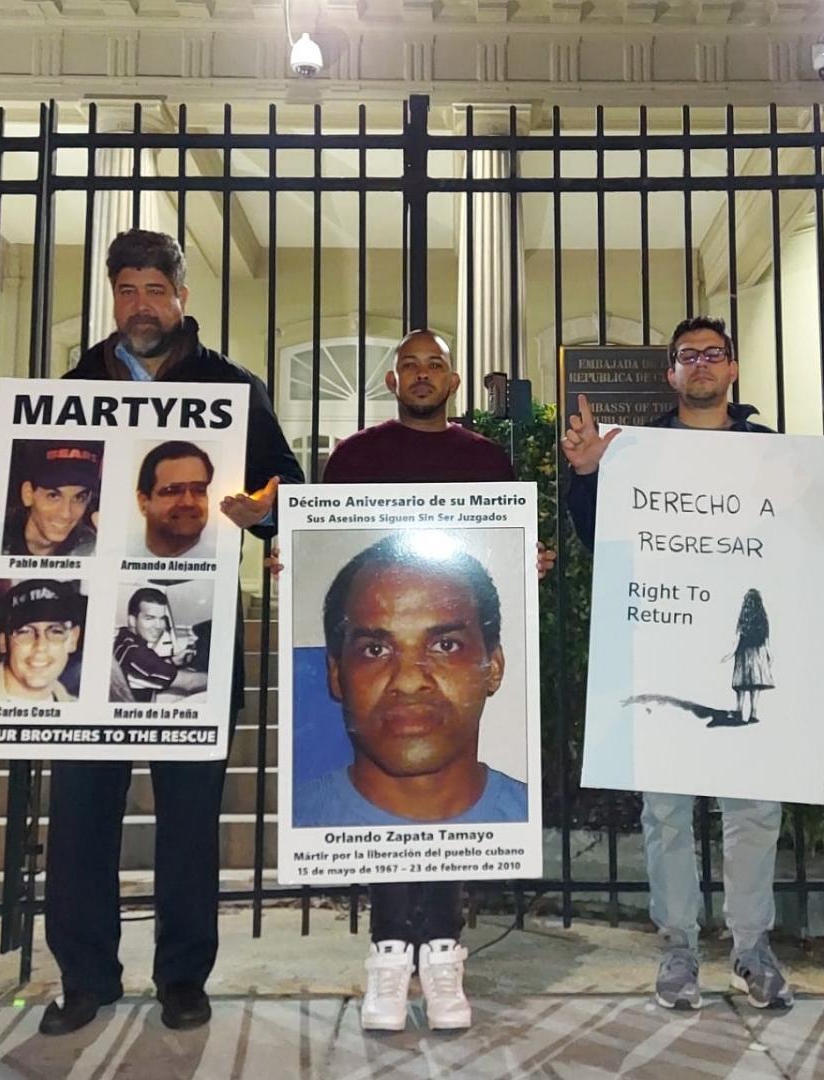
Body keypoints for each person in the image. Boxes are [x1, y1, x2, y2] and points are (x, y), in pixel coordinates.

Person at [0, 229, 304, 1035]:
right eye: (127, 290)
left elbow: (288, 492)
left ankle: (183, 977)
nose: (142, 304)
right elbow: (29, 494)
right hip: (88, 642)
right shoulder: (74, 386)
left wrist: (268, 511)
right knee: (81, 817)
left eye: (156, 288)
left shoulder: (233, 389)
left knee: (191, 822)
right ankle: (85, 978)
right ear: (112, 296)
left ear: (182, 296)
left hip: (201, 638)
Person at [561, 314, 824, 1013]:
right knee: (666, 813)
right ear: (671, 373)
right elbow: (599, 540)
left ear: (731, 370)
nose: (700, 365)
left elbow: (804, 543)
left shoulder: (774, 452)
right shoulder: (636, 453)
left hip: (749, 648)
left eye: (712, 354)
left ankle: (752, 948)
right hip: (667, 647)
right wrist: (584, 478)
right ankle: (679, 950)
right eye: (687, 355)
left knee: (753, 808)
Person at [267, 329, 552, 1034]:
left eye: (435, 364)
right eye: (410, 365)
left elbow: (500, 542)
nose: (423, 374)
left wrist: (528, 563)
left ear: (452, 382)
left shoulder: (483, 459)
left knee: (441, 800)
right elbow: (323, 538)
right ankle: (392, 957)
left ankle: (443, 955)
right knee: (393, 798)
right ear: (391, 382)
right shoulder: (356, 457)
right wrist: (292, 562)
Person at [297, 534, 526, 828]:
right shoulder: (297, 824)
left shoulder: (540, 828)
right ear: (336, 675)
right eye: (375, 650)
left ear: (493, 667)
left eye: (445, 646)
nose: (408, 682)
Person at [0, 579, 85, 703]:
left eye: (56, 631)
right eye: (25, 632)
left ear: (73, 639)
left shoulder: (79, 709)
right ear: (3, 642)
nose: (41, 646)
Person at [3, 441, 101, 557]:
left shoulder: (91, 547)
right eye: (53, 496)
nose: (66, 514)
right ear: (28, 494)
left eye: (79, 497)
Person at [111, 585, 205, 702]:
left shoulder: (124, 638)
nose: (158, 626)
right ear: (132, 620)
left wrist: (172, 661)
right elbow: (190, 683)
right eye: (149, 618)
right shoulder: (138, 654)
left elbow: (149, 666)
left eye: (162, 619)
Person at [135, 440, 214, 558]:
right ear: (143, 503)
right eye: (172, 491)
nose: (188, 502)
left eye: (199, 490)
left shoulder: (224, 561)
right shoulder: (115, 561)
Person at [725, 589, 772, 727]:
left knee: (741, 684)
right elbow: (767, 640)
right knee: (755, 684)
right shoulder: (763, 619)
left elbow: (736, 639)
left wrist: (728, 655)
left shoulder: (743, 618)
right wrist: (770, 656)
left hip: (743, 653)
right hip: (758, 654)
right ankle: (753, 714)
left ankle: (739, 711)